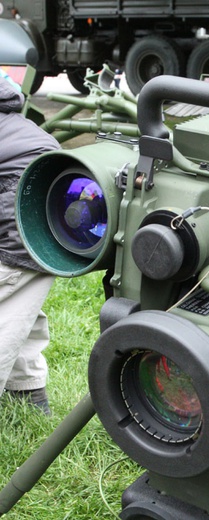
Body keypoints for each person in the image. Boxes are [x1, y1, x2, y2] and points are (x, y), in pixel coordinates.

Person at [0, 76, 59, 415]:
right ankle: (29, 395)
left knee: (8, 304)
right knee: (21, 304)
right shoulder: (11, 119)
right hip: (48, 220)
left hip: (25, 220)